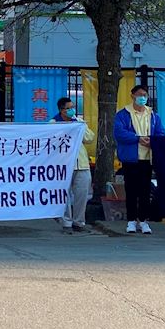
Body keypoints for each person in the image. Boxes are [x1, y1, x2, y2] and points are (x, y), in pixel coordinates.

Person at [114, 83, 165, 235]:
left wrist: (152, 141)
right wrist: (137, 138)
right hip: (130, 159)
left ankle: (143, 221)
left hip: (147, 158)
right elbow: (119, 133)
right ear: (132, 96)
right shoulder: (123, 114)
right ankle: (131, 221)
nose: (142, 98)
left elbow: (161, 133)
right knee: (131, 190)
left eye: (144, 95)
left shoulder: (153, 115)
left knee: (145, 190)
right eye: (139, 95)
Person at [51, 97, 94, 232]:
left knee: (82, 194)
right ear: (61, 110)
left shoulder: (78, 122)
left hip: (81, 163)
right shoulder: (53, 123)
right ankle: (66, 223)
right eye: (68, 108)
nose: (72, 110)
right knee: (64, 195)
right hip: (62, 165)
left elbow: (89, 138)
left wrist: (80, 125)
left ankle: (79, 222)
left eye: (73, 107)